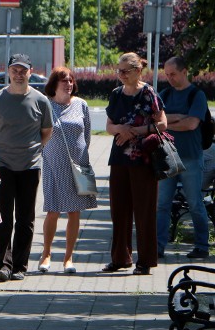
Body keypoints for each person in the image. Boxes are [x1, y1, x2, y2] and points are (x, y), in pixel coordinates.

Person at [0, 54, 53, 282]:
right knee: (2, 217)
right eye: (14, 69)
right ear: (8, 71)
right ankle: (2, 265)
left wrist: (33, 150)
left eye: (23, 70)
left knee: (26, 218)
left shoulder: (41, 101)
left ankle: (20, 266)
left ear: (30, 72)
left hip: (30, 165)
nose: (18, 74)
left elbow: (46, 132)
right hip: (2, 164)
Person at [104, 52, 167, 275]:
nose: (120, 75)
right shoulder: (116, 94)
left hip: (143, 159)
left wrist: (135, 132)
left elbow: (162, 123)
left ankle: (145, 261)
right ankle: (120, 258)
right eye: (118, 71)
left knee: (144, 210)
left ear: (138, 71)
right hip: (119, 158)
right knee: (119, 210)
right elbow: (109, 126)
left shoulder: (148, 92)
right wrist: (120, 129)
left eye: (125, 71)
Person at [38, 67, 97, 274]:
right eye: (64, 80)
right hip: (53, 164)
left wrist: (79, 156)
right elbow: (40, 135)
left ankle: (68, 258)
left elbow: (87, 135)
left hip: (78, 165)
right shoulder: (46, 105)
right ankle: (46, 254)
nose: (68, 84)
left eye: (71, 80)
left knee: (74, 211)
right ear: (54, 84)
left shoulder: (81, 104)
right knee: (53, 210)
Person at [156, 56, 210, 260]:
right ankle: (158, 246)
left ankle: (202, 246)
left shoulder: (197, 95)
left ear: (184, 71)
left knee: (195, 203)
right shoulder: (164, 94)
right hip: (166, 156)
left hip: (191, 157)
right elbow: (155, 119)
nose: (169, 78)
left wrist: (167, 121)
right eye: (167, 75)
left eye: (173, 74)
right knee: (162, 204)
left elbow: (192, 124)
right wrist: (180, 116)